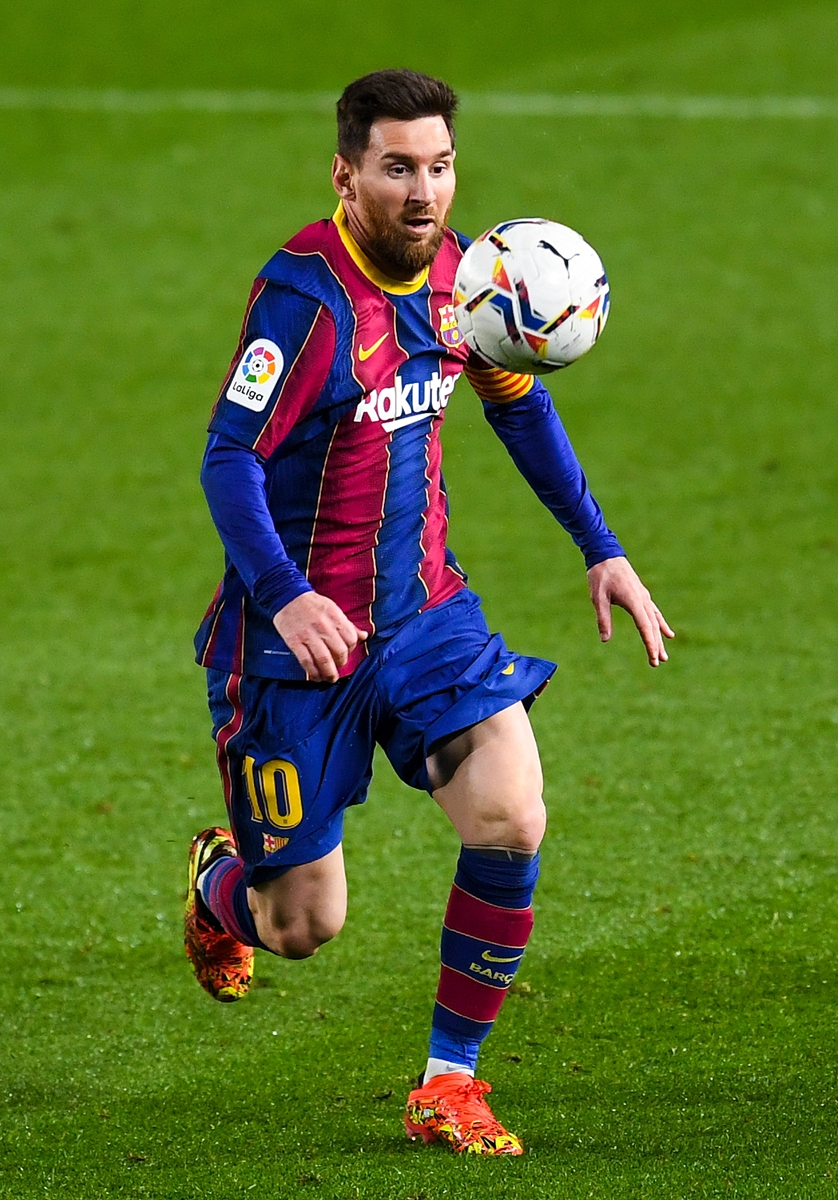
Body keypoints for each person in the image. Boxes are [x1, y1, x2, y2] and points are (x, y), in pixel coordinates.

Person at [184, 68, 673, 1156]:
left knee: (512, 813)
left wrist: (603, 548)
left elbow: (519, 406)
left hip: (424, 619)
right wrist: (288, 593)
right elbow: (229, 461)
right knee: (299, 925)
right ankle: (223, 882)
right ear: (347, 175)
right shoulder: (305, 303)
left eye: (440, 167)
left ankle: (447, 1085)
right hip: (293, 647)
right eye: (397, 167)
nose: (423, 191)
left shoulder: (467, 281)